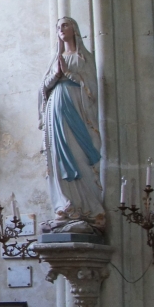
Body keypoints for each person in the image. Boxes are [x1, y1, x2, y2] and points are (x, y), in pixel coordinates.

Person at [39, 16, 104, 232]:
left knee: (77, 155)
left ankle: (88, 208)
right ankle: (65, 206)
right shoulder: (55, 58)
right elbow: (43, 88)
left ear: (74, 28)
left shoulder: (84, 57)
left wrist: (69, 74)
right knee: (58, 157)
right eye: (58, 27)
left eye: (64, 25)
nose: (61, 29)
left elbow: (92, 88)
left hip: (77, 110)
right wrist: (57, 75)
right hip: (55, 112)